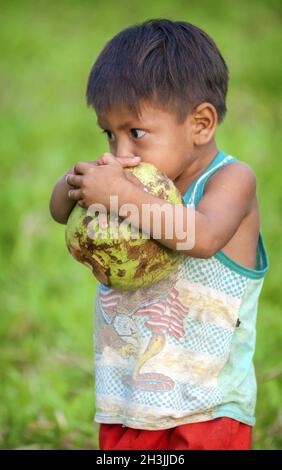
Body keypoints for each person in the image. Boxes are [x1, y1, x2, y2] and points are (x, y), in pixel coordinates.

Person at [49, 19, 269, 450]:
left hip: (204, 409)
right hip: (127, 402)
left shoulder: (230, 181)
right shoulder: (129, 187)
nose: (121, 153)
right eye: (109, 134)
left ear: (201, 124)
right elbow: (58, 212)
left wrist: (119, 194)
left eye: (136, 133)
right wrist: (77, 182)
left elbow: (201, 237)